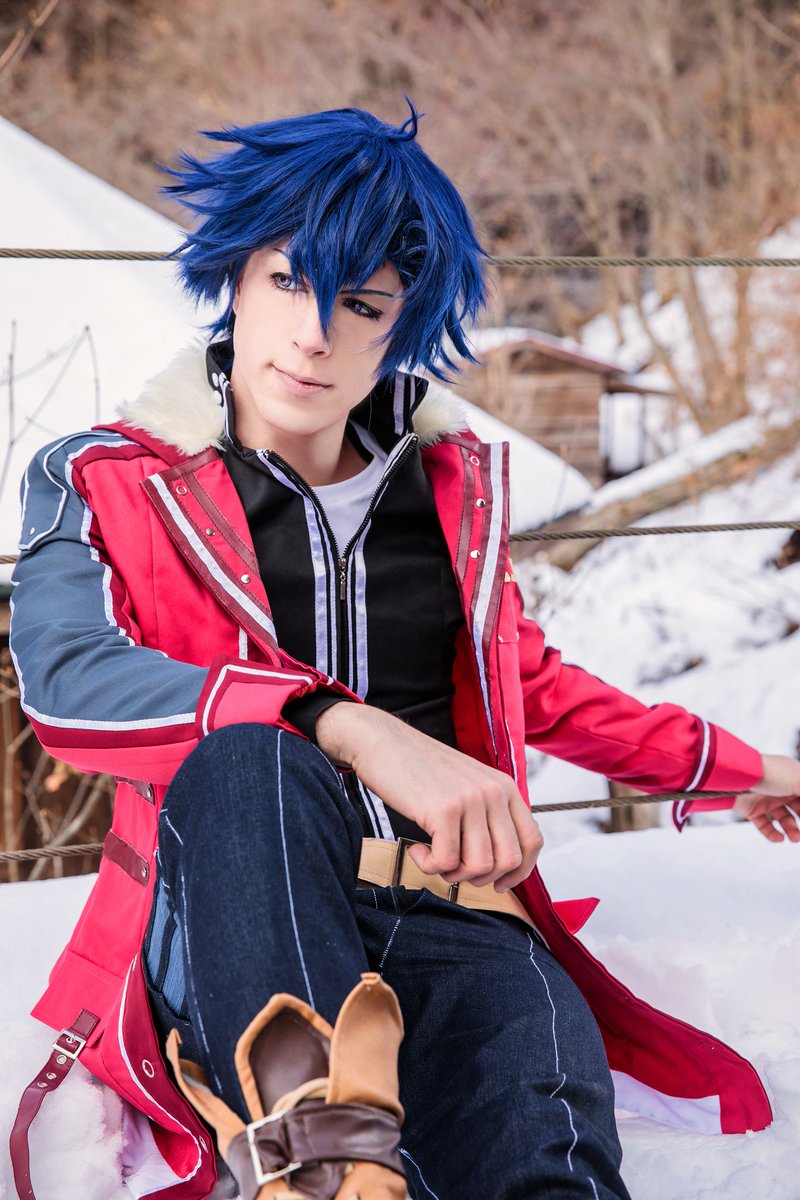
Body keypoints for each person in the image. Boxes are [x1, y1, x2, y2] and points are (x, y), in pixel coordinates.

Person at [8, 104, 800, 1200]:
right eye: (288, 280)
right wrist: (343, 723)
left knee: (548, 1167)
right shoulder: (105, 477)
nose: (314, 335)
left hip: (456, 911)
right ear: (234, 276)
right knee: (251, 758)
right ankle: (320, 1153)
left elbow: (531, 685)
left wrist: (748, 769)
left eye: (362, 304)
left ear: (402, 325)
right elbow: (67, 684)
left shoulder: (448, 489)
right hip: (243, 914)